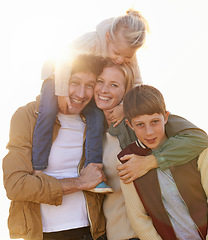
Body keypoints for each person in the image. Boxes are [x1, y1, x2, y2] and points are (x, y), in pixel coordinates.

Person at [32, 9, 149, 193]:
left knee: (96, 119)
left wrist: (124, 107)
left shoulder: (127, 52)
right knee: (47, 111)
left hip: (85, 81)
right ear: (108, 37)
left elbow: (137, 84)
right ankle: (38, 167)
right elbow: (63, 59)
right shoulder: (92, 40)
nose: (120, 60)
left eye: (126, 57)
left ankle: (93, 172)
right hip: (57, 75)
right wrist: (61, 92)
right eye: (117, 53)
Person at [93, 62, 208, 239]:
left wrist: (151, 161)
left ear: (126, 91)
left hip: (154, 232)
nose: (104, 90)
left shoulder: (146, 124)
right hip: (117, 233)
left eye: (114, 85)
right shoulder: (93, 134)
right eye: (100, 81)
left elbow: (198, 139)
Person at [2, 55, 109, 240]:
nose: (81, 93)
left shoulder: (97, 120)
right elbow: (16, 185)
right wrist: (81, 183)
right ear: (59, 81)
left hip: (91, 232)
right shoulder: (27, 117)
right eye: (74, 82)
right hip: (43, 234)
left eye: (90, 85)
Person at [117, 84, 208, 240]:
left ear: (166, 117)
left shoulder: (193, 147)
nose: (149, 132)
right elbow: (139, 219)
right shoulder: (128, 162)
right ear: (130, 125)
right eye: (140, 124)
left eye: (155, 121)